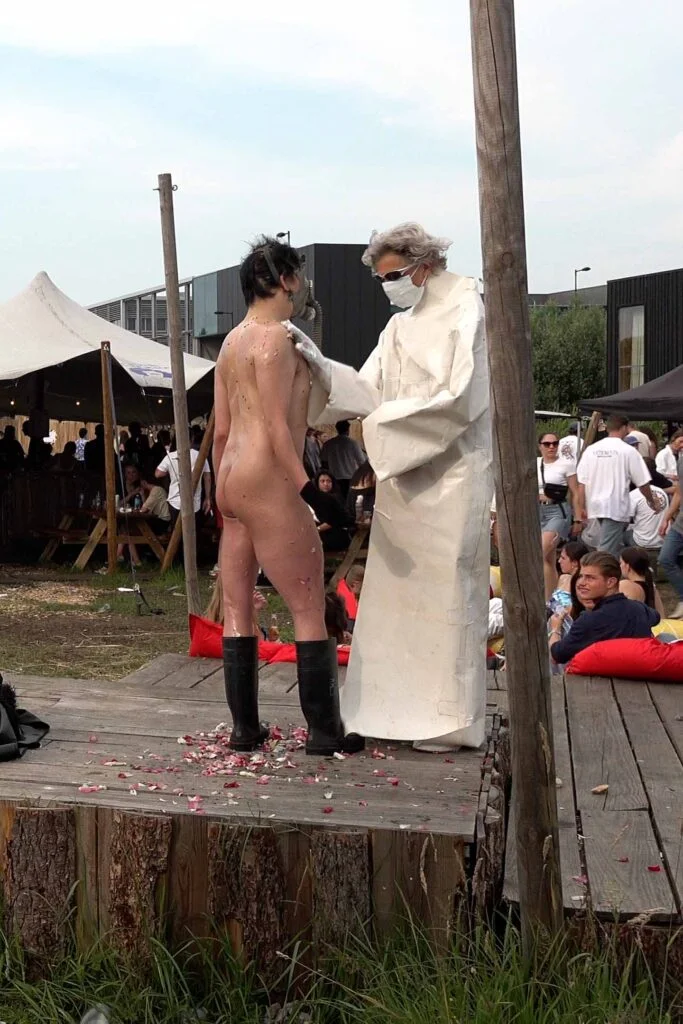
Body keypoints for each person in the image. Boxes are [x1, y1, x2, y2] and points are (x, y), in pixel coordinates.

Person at [291, 222, 492, 751]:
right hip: (404, 485)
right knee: (397, 603)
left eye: (392, 276)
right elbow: (366, 387)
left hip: (452, 476)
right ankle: (395, 709)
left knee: (446, 598)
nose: (387, 288)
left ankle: (447, 720)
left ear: (422, 266)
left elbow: (462, 399)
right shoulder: (399, 326)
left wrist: (382, 426)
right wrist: (321, 369)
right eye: (380, 279)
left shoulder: (468, 307)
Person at [213, 235, 362, 756]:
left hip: (232, 476)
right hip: (268, 477)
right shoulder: (276, 339)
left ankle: (244, 730)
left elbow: (221, 430)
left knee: (238, 606)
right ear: (286, 279)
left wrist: (219, 492)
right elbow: (278, 429)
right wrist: (310, 492)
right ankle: (324, 730)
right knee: (306, 604)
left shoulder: (230, 343)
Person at [549, 551, 659, 664]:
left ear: (610, 582)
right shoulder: (641, 610)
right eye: (581, 576)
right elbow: (656, 617)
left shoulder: (589, 621)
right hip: (641, 671)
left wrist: (555, 629)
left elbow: (555, 657)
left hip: (602, 674)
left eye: (590, 578)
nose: (581, 583)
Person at [575, 414, 655, 556]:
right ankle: (597, 568)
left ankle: (609, 567)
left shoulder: (591, 450)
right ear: (624, 428)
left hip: (595, 506)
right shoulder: (628, 451)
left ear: (608, 428)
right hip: (616, 506)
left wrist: (581, 507)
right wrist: (651, 501)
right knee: (606, 551)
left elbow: (582, 483)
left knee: (610, 544)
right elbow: (642, 482)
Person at [537, 432, 579, 599]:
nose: (551, 447)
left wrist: (578, 518)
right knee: (548, 558)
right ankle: (550, 598)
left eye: (555, 443)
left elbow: (575, 492)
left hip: (557, 510)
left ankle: (543, 595)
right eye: (547, 444)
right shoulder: (535, 463)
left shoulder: (566, 464)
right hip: (537, 510)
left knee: (540, 551)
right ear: (540, 446)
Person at [156, 434, 212, 528]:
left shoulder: (171, 456)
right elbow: (207, 478)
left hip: (175, 502)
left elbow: (158, 474)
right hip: (195, 503)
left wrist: (171, 469)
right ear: (192, 439)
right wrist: (207, 497)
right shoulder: (200, 455)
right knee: (194, 531)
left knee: (177, 532)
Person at [657, 445, 683, 619]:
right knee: (665, 558)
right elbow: (680, 491)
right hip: (680, 523)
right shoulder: (681, 460)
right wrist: (667, 517)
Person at [320, 421, 365, 498]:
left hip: (334, 477)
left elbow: (323, 462)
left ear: (337, 429)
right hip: (350, 477)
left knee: (337, 499)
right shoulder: (353, 443)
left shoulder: (328, 444)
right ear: (348, 430)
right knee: (349, 500)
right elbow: (361, 461)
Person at [626, 474, 668, 550]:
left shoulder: (633, 495)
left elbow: (625, 521)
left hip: (643, 542)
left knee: (620, 534)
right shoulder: (662, 491)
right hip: (663, 541)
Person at [312, 472, 351, 552]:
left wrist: (317, 529)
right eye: (322, 481)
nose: (326, 484)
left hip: (335, 534)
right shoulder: (314, 499)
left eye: (328, 481)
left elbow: (333, 521)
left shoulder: (335, 498)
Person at [619, 546, 664, 615]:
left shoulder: (625, 585)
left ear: (627, 566)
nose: (620, 566)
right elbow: (661, 615)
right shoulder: (652, 588)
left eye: (621, 563)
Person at [337, 564, 364, 633]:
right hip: (350, 626)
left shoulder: (342, 586)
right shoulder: (346, 597)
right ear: (354, 585)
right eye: (361, 588)